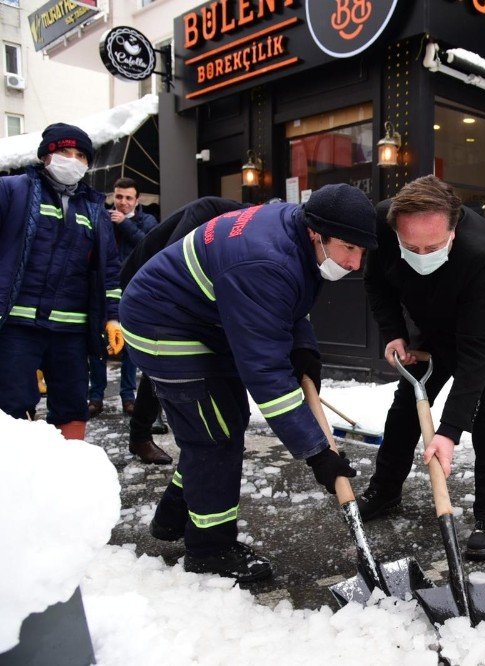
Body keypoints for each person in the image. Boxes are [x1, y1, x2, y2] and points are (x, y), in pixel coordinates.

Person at [120, 184, 376, 582]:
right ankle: (210, 549)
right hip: (163, 324)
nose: (356, 262)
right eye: (349, 249)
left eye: (362, 251)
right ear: (316, 232)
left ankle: (173, 516)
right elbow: (266, 375)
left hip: (207, 321)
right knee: (214, 436)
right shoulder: (264, 262)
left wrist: (303, 349)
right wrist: (316, 452)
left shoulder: (299, 235)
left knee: (223, 421)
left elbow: (290, 304)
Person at [359, 175, 485, 560]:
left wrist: (450, 430)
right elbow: (377, 284)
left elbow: (477, 350)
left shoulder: (481, 254)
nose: (422, 255)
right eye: (411, 246)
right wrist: (394, 333)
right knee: (410, 396)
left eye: (434, 246)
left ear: (454, 230)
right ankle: (384, 491)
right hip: (435, 313)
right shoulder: (383, 223)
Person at [0, 123, 123, 440]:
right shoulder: (13, 191)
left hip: (71, 330)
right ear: (46, 156)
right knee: (12, 405)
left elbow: (109, 269)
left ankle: (66, 476)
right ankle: (18, 478)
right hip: (18, 325)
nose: (73, 159)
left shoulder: (93, 209)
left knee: (72, 406)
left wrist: (113, 317)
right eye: (64, 152)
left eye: (81, 155)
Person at [118, 196, 248, 465]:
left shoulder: (242, 230)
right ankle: (140, 436)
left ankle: (224, 431)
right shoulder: (206, 213)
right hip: (145, 287)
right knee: (161, 359)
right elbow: (168, 266)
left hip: (181, 292)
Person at [88, 177, 158, 418]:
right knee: (98, 344)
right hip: (102, 290)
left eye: (129, 198)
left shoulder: (147, 220)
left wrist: (126, 223)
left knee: (129, 347)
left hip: (131, 290)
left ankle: (128, 397)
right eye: (119, 197)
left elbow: (148, 247)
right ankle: (95, 396)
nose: (123, 203)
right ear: (113, 197)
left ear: (137, 200)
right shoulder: (102, 218)